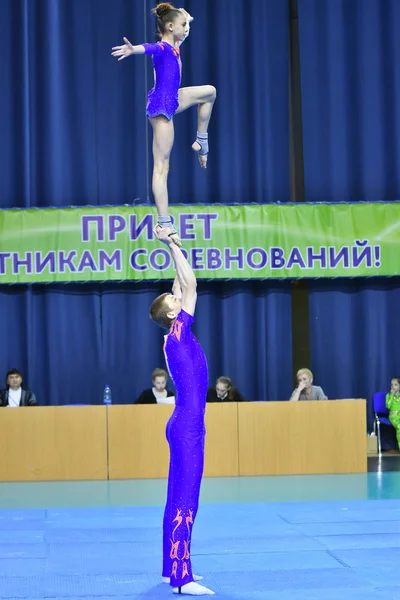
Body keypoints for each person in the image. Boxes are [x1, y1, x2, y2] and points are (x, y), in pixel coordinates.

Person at [111, 3, 216, 245]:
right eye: (182, 25)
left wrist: (183, 14)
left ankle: (202, 141)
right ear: (170, 27)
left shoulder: (175, 46)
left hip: (173, 99)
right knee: (162, 167)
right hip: (161, 109)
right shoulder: (162, 47)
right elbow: (147, 48)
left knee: (209, 92)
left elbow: (184, 23)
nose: (187, 28)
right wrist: (132, 49)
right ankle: (164, 223)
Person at [149, 225, 214, 596]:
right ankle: (181, 577)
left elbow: (181, 282)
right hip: (188, 426)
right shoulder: (178, 332)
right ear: (171, 311)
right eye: (172, 298)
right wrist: (172, 244)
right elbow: (189, 285)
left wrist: (172, 244)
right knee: (186, 497)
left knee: (177, 494)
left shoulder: (175, 335)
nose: (177, 296)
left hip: (182, 423)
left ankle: (170, 566)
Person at [386, 377, 400, 449]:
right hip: (393, 417)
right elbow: (388, 406)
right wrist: (391, 395)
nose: (393, 387)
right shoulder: (388, 396)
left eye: (395, 385)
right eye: (391, 385)